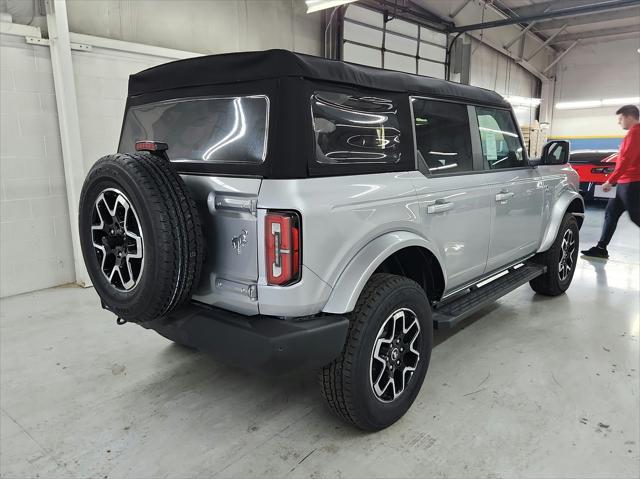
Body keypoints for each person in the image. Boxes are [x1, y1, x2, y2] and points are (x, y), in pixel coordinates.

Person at [582, 104, 640, 259]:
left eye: (620, 119)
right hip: (624, 183)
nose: (619, 122)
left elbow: (626, 160)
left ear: (629, 116)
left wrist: (610, 181)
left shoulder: (635, 134)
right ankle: (601, 248)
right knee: (611, 213)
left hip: (632, 183)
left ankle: (601, 247)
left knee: (636, 216)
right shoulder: (633, 133)